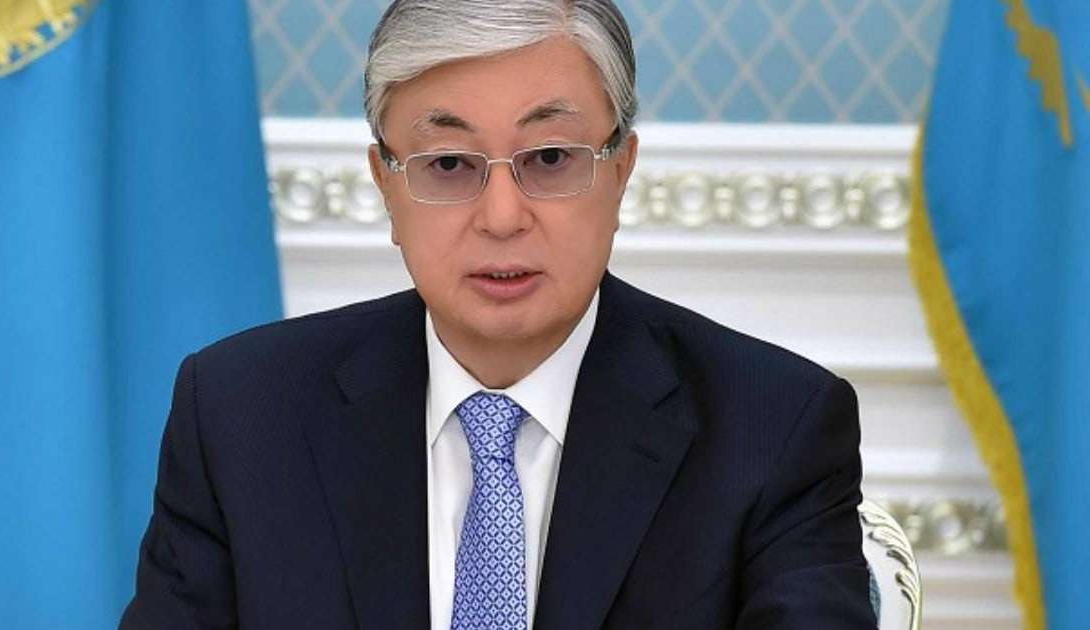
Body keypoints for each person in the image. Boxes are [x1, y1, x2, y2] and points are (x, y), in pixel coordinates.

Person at [120, 1, 877, 628]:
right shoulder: (241, 415)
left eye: (550, 159)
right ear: (386, 185)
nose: (503, 217)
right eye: (450, 164)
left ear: (621, 171)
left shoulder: (774, 429)